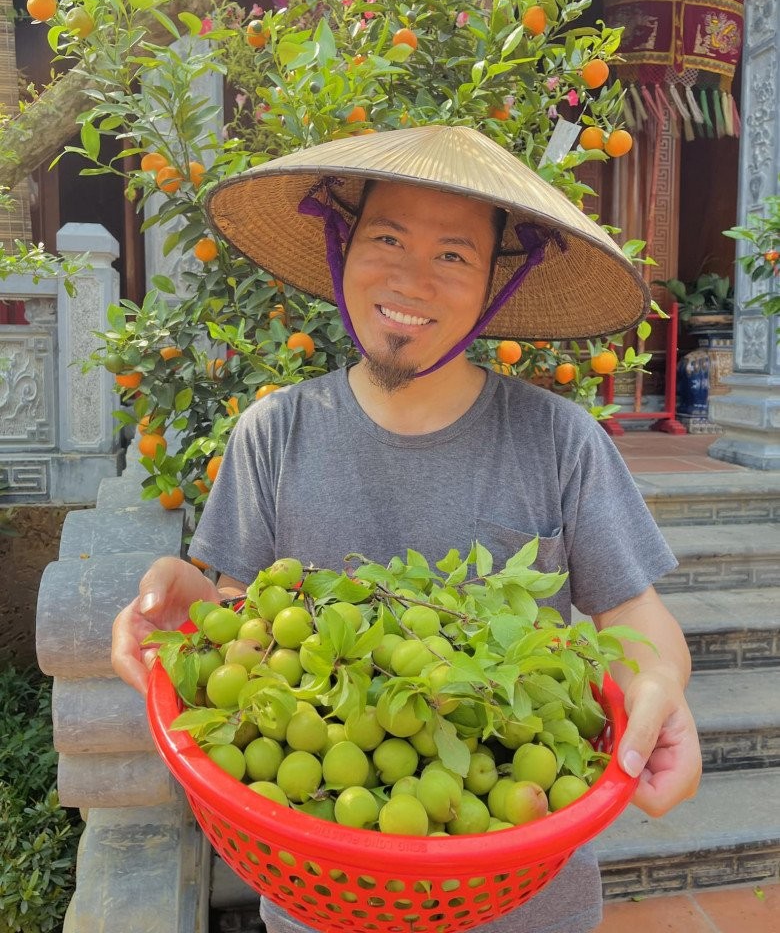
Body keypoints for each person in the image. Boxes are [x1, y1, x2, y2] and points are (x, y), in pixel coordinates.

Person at [112, 125, 701, 933]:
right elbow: (250, 625)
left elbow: (638, 621)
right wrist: (193, 620)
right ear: (341, 249)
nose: (411, 278)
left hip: (526, 907)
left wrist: (661, 684)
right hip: (317, 899)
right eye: (386, 238)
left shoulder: (561, 441)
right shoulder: (273, 432)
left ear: (497, 282)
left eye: (454, 254)